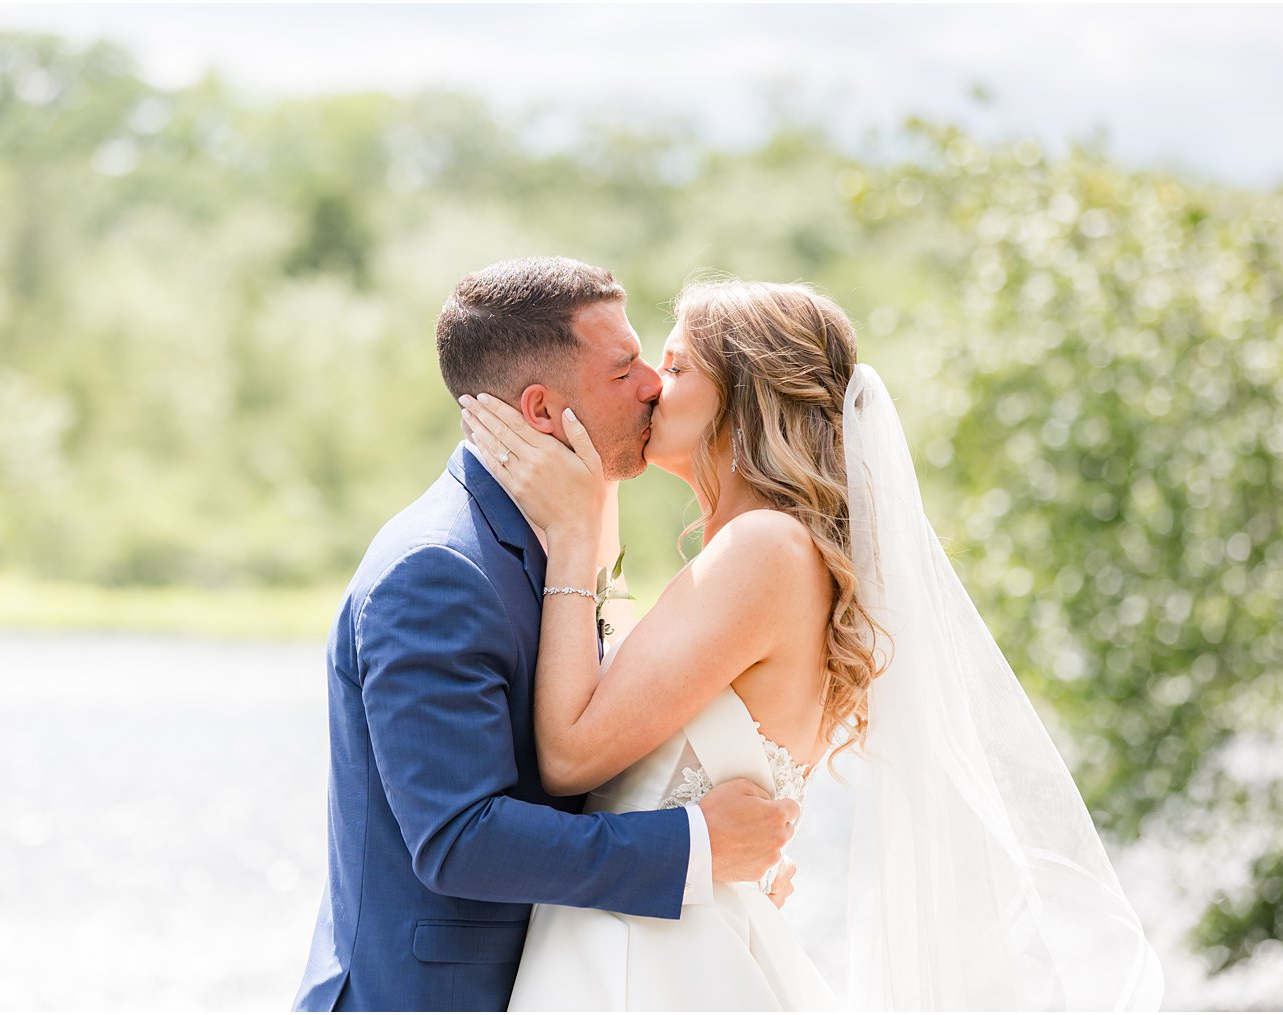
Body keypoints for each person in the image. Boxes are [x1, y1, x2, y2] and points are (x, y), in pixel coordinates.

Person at [462, 278, 1165, 1010]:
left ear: (744, 396)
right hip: (662, 942)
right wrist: (594, 500)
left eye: (675, 369)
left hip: (651, 962)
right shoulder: (768, 551)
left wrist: (574, 536)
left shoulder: (763, 549)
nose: (648, 389)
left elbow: (573, 753)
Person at [292, 258, 799, 1013]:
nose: (652, 385)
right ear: (540, 408)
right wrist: (695, 846)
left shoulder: (561, 540)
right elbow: (459, 837)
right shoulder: (438, 568)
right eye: (625, 368)